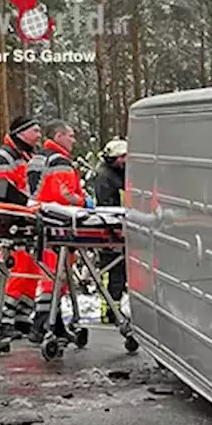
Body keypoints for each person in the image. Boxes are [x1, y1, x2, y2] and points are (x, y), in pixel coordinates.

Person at [29, 121, 88, 343]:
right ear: (59, 136)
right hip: (57, 225)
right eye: (71, 136)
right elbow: (65, 198)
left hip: (38, 221)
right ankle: (44, 323)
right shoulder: (60, 162)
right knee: (55, 277)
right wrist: (85, 202)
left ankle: (55, 322)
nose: (73, 140)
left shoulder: (38, 158)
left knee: (52, 276)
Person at [0, 115, 42, 341]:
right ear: (22, 132)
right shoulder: (4, 157)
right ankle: (5, 319)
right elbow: (1, 190)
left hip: (28, 218)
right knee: (19, 270)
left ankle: (21, 316)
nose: (38, 135)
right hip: (13, 221)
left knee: (32, 270)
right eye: (35, 131)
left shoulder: (28, 156)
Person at [94, 138, 127, 324]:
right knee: (111, 270)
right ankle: (108, 310)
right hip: (109, 230)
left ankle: (114, 308)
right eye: (122, 157)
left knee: (119, 273)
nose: (125, 160)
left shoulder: (119, 173)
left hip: (119, 227)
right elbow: (106, 206)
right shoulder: (105, 177)